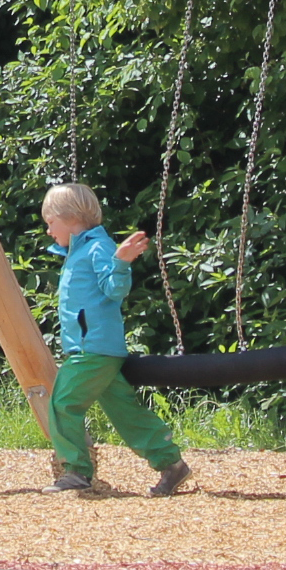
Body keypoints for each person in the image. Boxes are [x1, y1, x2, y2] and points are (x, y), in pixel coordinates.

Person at [39, 182, 192, 496]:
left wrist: (121, 262)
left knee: (63, 402)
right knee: (125, 412)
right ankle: (171, 464)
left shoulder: (98, 247)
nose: (48, 231)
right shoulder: (80, 248)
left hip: (90, 349)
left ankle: (76, 471)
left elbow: (114, 290)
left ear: (70, 219)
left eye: (50, 223)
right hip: (97, 347)